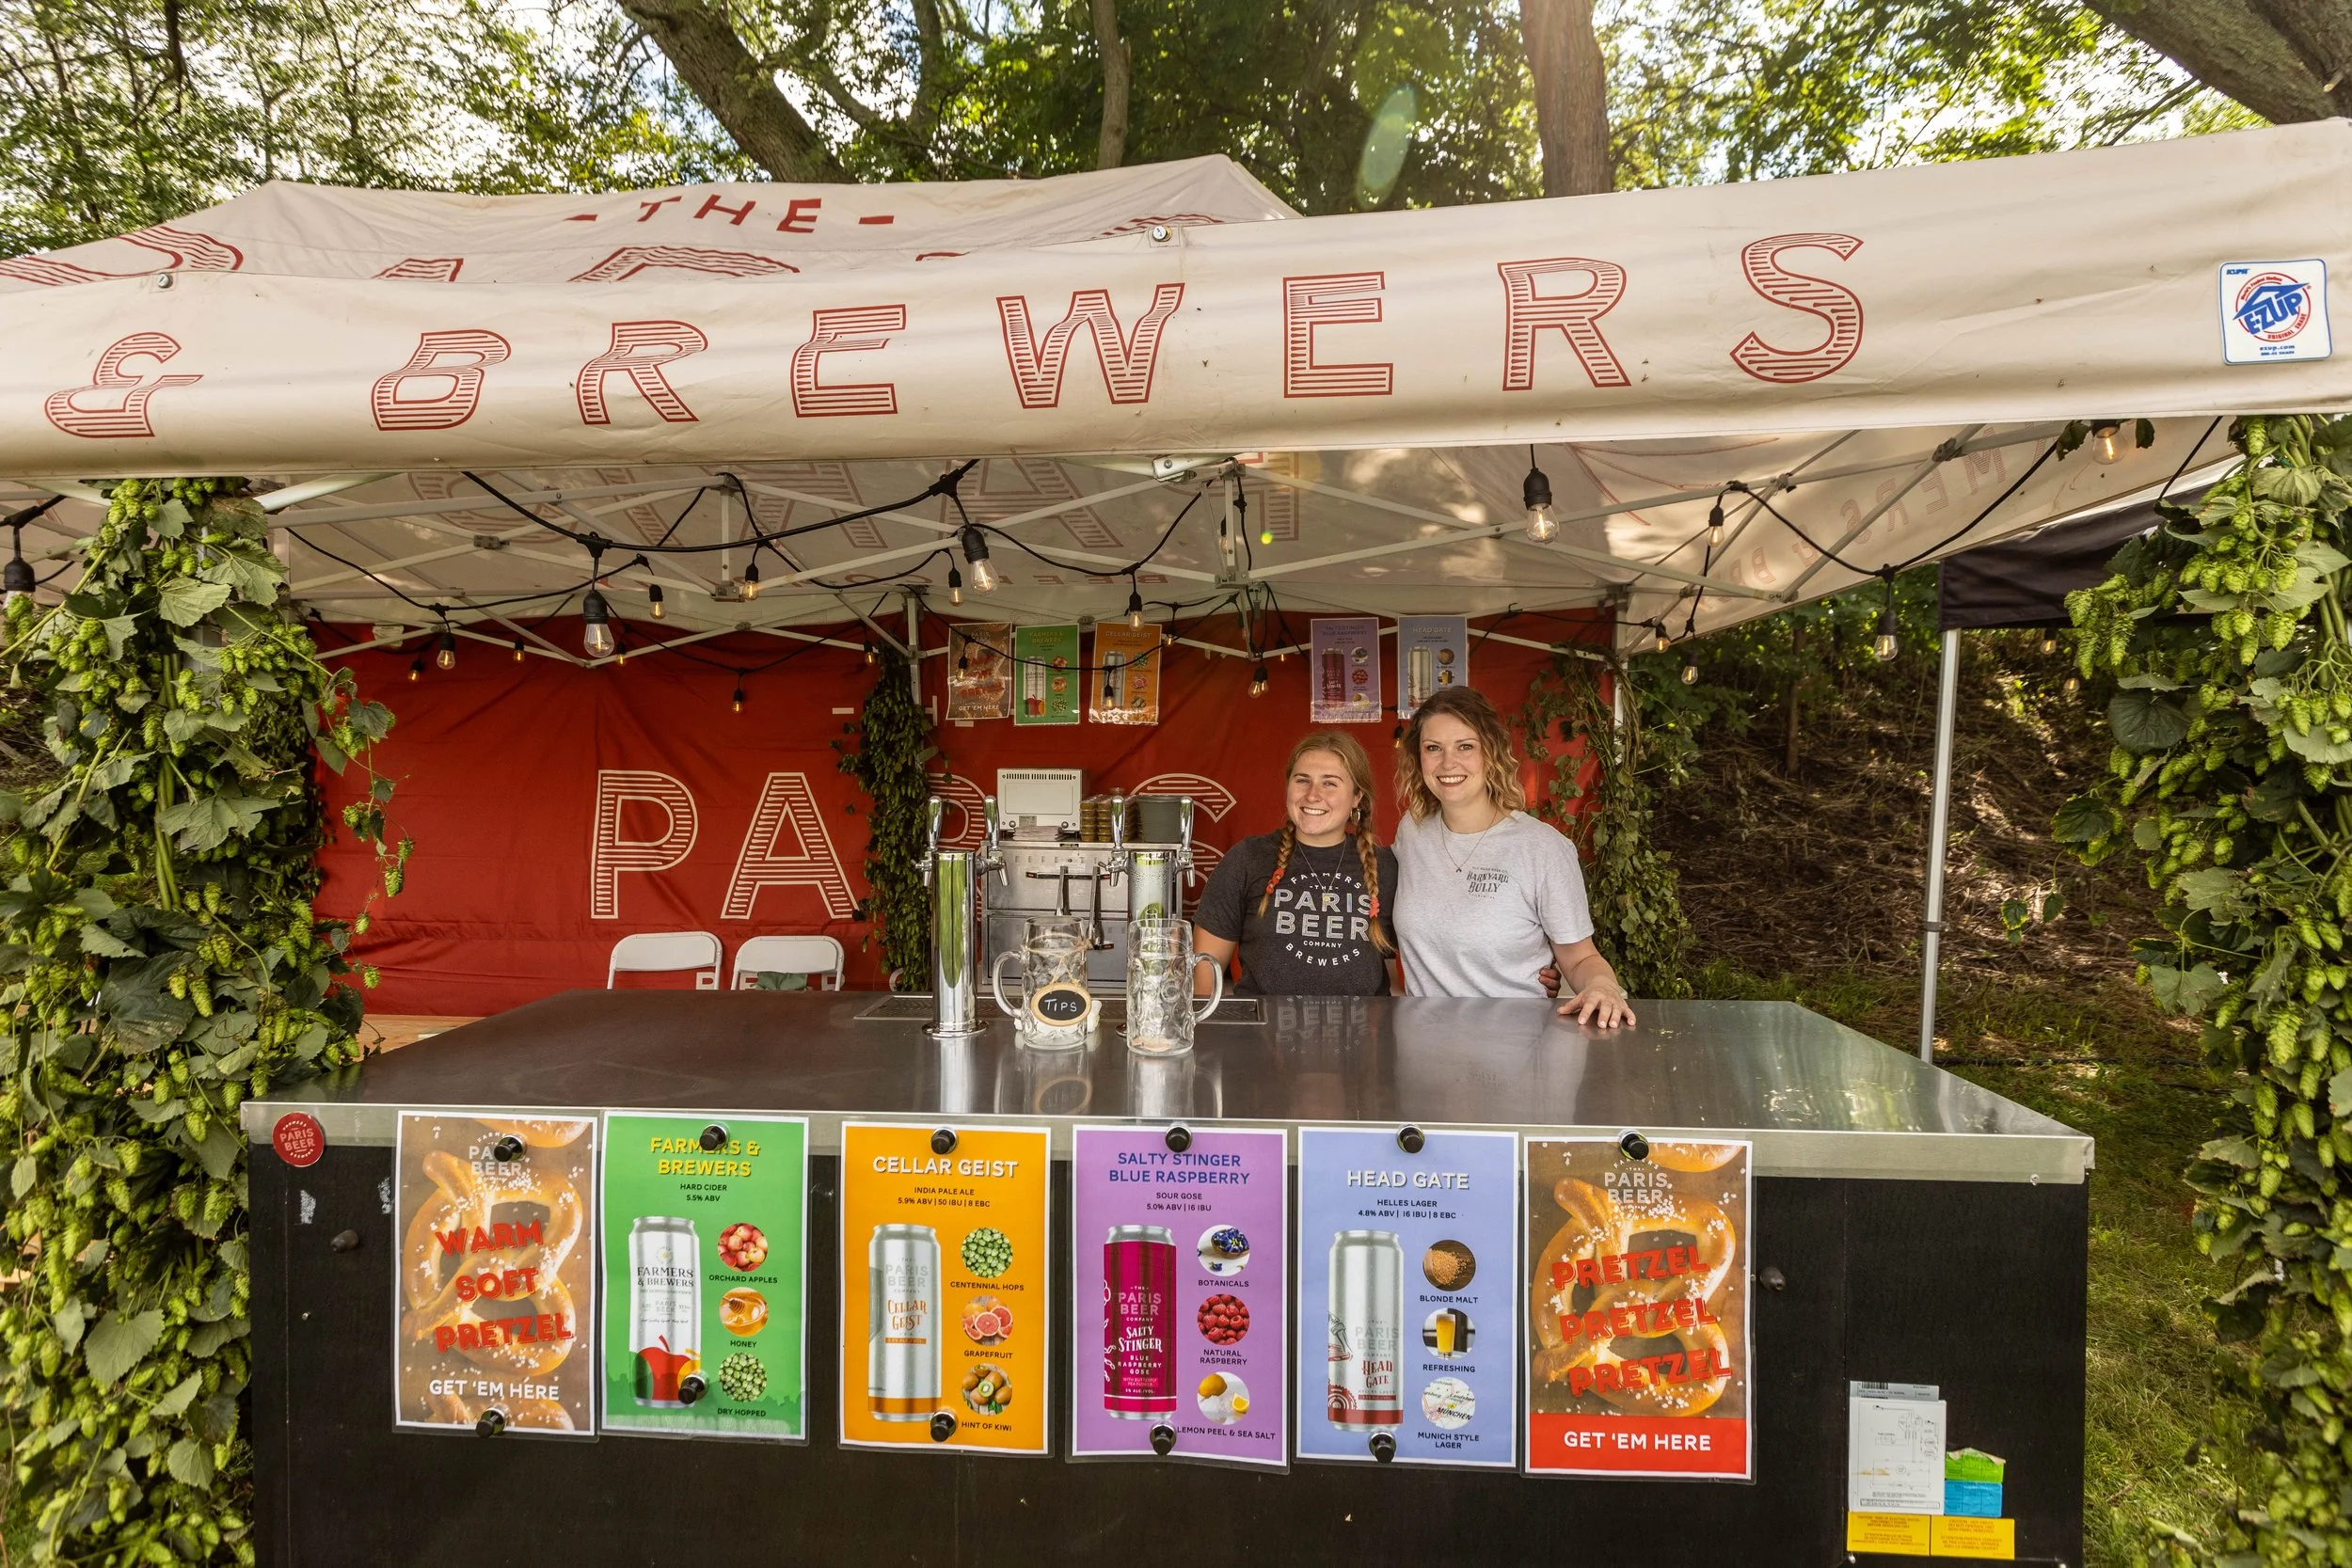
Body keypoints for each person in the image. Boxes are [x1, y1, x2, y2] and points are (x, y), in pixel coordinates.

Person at [1391, 687, 1636, 1027]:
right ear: (1419, 758)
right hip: (1425, 1052)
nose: (1448, 763)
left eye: (1465, 746)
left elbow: (1580, 958)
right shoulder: (1412, 831)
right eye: (1434, 748)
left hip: (1512, 1050)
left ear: (1491, 754)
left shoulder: (1542, 849)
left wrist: (1602, 987)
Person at [1191, 732, 1400, 996]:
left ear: (1356, 797)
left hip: (1363, 1035)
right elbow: (1203, 979)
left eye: (1330, 784)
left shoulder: (1387, 867)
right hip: (1260, 1033)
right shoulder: (1248, 857)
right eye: (1302, 780)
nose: (1313, 795)